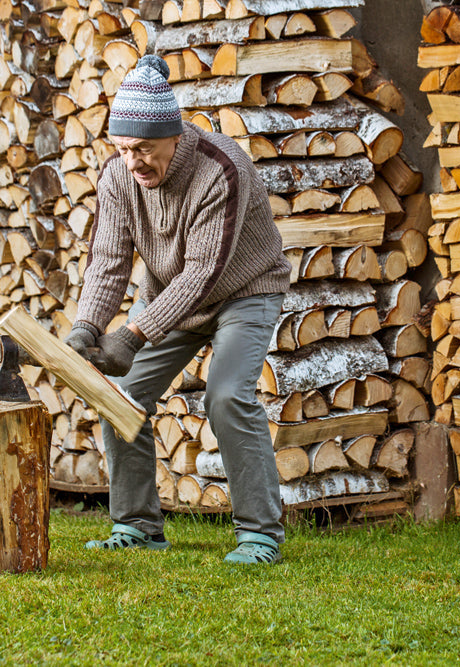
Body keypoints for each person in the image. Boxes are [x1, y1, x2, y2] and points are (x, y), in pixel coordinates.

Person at [64, 54, 291, 564]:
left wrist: (132, 334)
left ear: (174, 136)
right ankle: (138, 525)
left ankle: (260, 535)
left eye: (144, 148)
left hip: (244, 291)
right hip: (170, 295)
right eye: (123, 149)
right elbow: (107, 259)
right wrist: (87, 327)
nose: (134, 161)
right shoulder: (119, 177)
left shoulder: (221, 168)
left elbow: (205, 271)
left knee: (228, 396)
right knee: (120, 395)